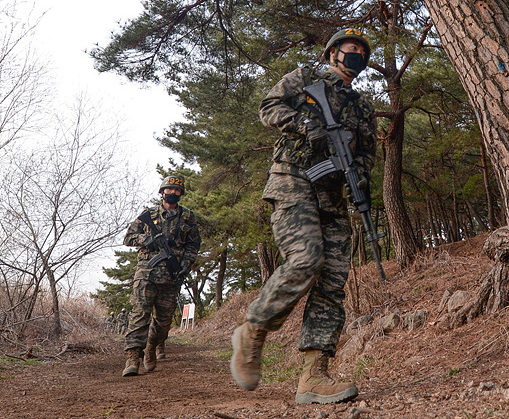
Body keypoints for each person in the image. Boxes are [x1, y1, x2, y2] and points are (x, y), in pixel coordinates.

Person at [230, 28, 377, 405]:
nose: (356, 55)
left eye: (363, 51)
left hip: (332, 195)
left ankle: (314, 374)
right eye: (350, 49)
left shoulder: (362, 106)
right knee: (306, 258)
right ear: (332, 54)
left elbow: (366, 155)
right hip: (293, 180)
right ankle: (254, 331)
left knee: (332, 281)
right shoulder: (303, 80)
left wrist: (359, 178)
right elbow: (268, 108)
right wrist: (303, 124)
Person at [121, 175, 201, 376]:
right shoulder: (148, 215)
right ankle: (132, 358)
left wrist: (186, 264)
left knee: (163, 322)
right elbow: (128, 238)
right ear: (162, 192)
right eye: (170, 189)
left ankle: (152, 346)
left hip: (171, 276)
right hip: (146, 273)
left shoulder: (188, 217)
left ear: (181, 194)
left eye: (177, 190)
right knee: (140, 315)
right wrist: (146, 239)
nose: (173, 193)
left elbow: (194, 244)